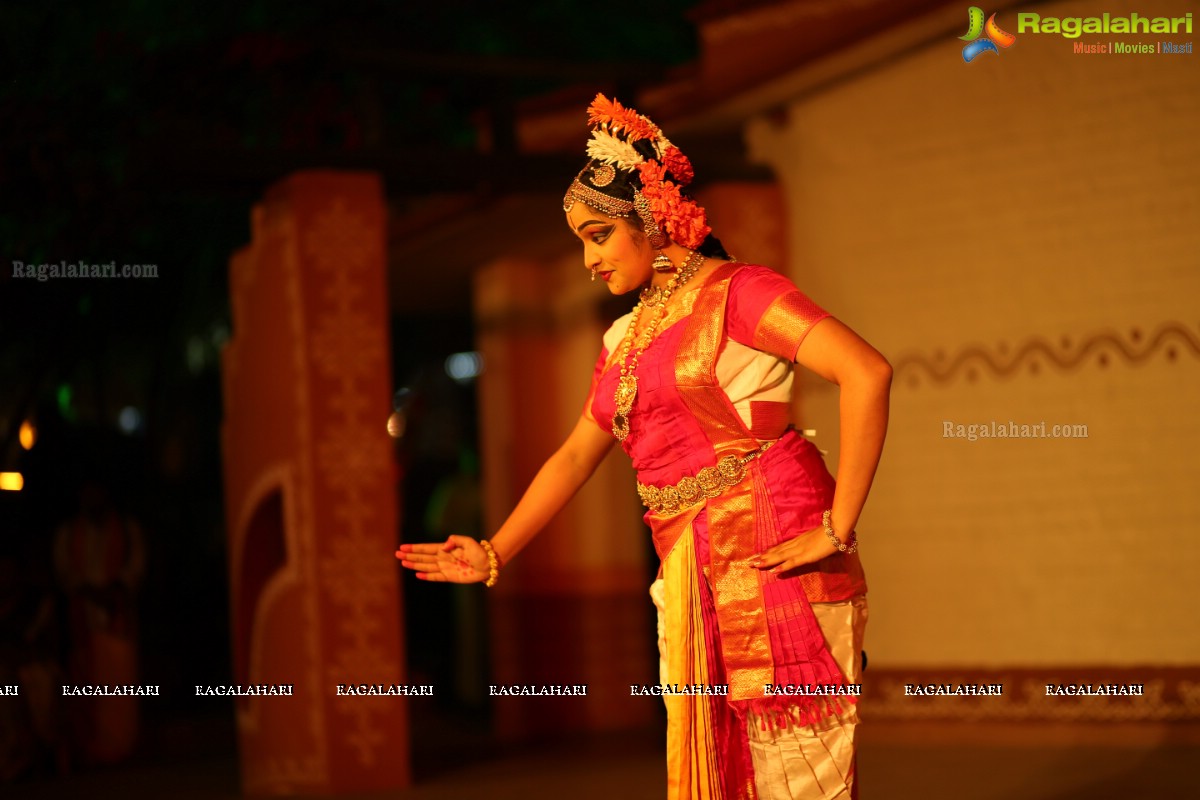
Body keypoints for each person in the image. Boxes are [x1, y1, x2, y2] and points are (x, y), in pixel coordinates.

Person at [398, 94, 891, 800]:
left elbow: (866, 372)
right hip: (686, 568)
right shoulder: (620, 341)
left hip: (771, 546)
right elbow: (575, 454)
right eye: (582, 243)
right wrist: (496, 550)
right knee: (716, 771)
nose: (591, 259)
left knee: (797, 771)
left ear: (654, 219)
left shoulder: (740, 294)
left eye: (600, 235)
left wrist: (838, 528)